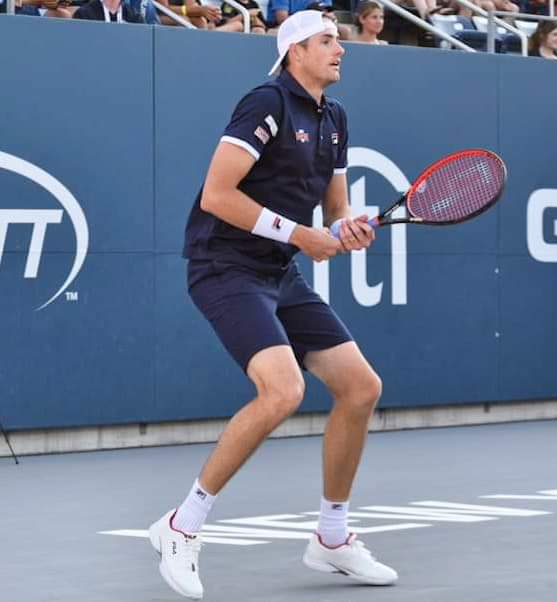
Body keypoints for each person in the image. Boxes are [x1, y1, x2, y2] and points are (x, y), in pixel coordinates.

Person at [148, 9, 398, 600]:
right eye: (327, 41)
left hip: (278, 273)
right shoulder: (265, 102)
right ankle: (181, 526)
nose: (341, 49)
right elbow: (217, 195)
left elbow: (335, 214)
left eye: (340, 40)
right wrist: (298, 234)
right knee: (283, 391)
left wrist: (349, 229)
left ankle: (331, 538)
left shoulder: (335, 118)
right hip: (223, 266)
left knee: (361, 387)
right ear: (294, 53)